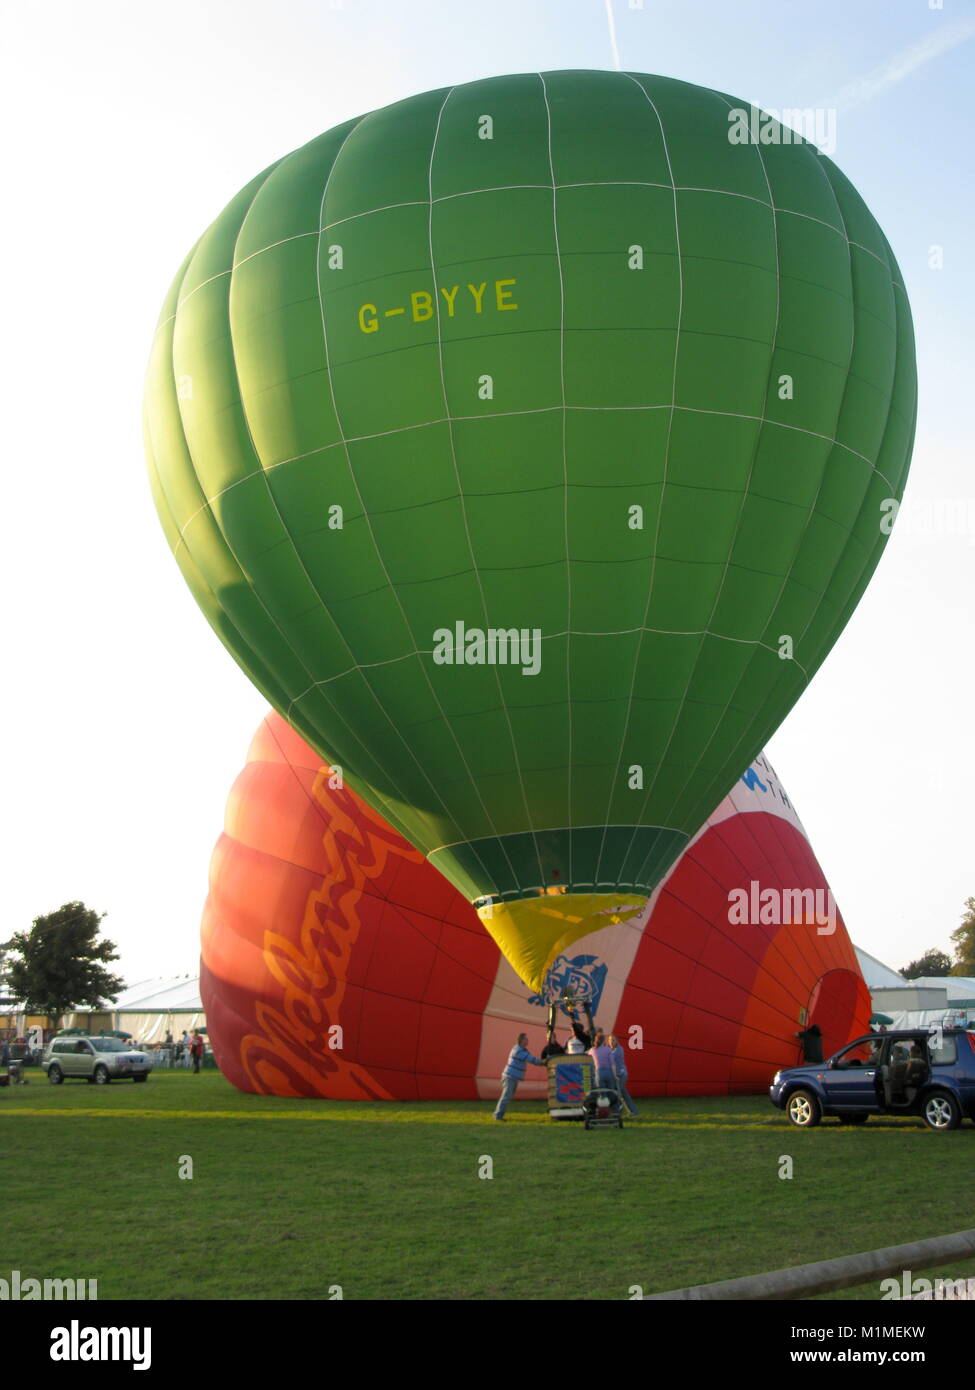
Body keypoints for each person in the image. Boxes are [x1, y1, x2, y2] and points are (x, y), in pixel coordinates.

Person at [493, 1033, 544, 1120]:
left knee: (507, 1097)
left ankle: (498, 1115)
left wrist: (541, 1062)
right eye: (526, 1039)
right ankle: (497, 1116)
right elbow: (531, 1059)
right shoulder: (518, 1051)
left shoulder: (522, 1050)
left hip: (512, 1077)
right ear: (522, 1040)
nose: (528, 1041)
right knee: (506, 1097)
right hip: (509, 1077)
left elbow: (531, 1059)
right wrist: (544, 1062)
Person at [608, 1033, 638, 1116]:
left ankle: (616, 1111)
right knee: (624, 1094)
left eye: (613, 1040)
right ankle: (634, 1111)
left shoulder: (619, 1050)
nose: (611, 1042)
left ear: (617, 1041)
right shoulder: (609, 1050)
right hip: (616, 1075)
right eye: (610, 1040)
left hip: (621, 1075)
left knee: (617, 1093)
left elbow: (612, 1059)